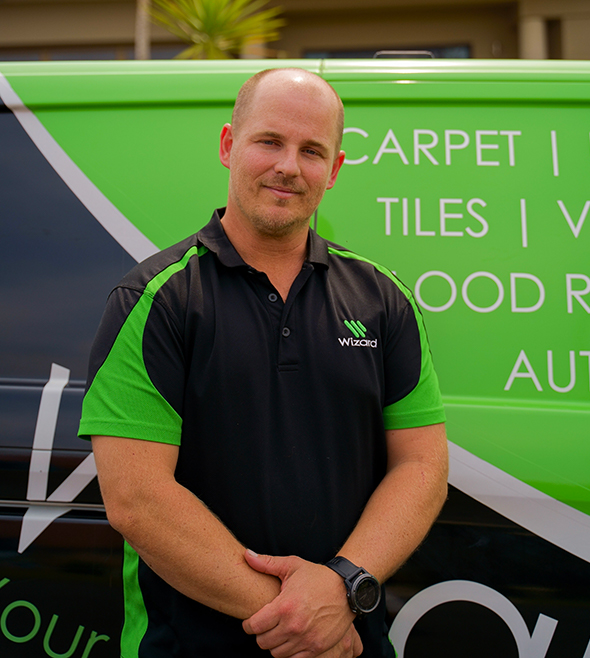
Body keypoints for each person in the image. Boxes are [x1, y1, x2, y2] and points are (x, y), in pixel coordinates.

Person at [78, 67, 448, 658]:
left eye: (312, 151)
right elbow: (136, 497)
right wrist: (301, 618)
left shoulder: (383, 299)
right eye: (269, 141)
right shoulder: (155, 298)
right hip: (195, 644)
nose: (288, 166)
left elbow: (422, 468)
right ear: (229, 145)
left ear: (334, 170)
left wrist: (344, 584)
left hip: (347, 636)